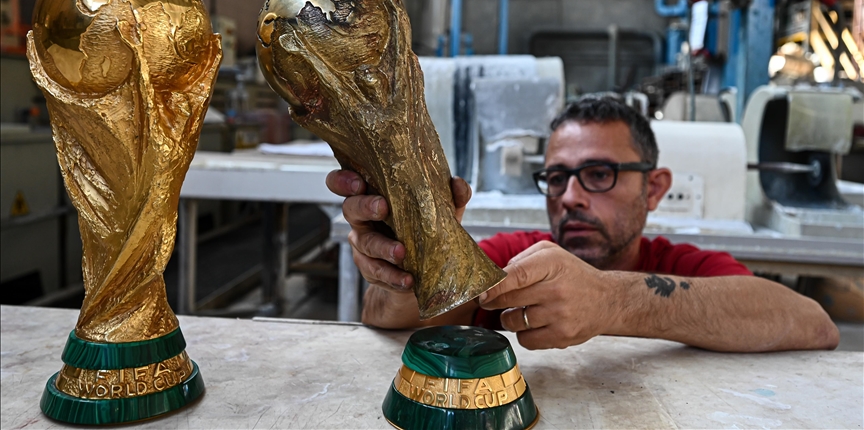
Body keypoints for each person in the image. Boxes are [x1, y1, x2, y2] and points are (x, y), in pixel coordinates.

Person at [325, 96, 839, 352]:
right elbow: (390, 319)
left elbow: (812, 323)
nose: (570, 198)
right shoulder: (512, 261)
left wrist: (611, 299)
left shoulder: (678, 265)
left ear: (654, 187)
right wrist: (404, 263)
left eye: (599, 175)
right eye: (556, 177)